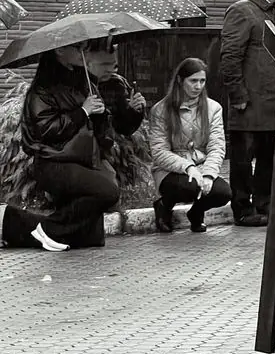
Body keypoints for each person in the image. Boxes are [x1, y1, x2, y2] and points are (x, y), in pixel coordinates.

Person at [1, 41, 146, 251]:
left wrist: (132, 112)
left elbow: (112, 129)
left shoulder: (84, 83)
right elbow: (46, 129)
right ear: (60, 51)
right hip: (54, 162)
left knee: (90, 239)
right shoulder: (42, 89)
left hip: (84, 161)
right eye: (77, 48)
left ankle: (13, 225)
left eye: (84, 48)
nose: (83, 52)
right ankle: (47, 229)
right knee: (108, 192)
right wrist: (83, 112)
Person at [220, 0, 275, 228]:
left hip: (273, 101)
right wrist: (238, 95)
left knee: (270, 158)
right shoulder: (241, 12)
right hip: (249, 102)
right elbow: (230, 57)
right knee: (243, 160)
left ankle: (266, 205)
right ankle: (243, 209)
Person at [147, 58, 230, 234]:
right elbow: (159, 152)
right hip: (170, 170)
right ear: (180, 80)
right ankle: (164, 205)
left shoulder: (213, 108)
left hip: (201, 166)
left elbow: (217, 146)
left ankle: (196, 213)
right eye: (193, 81)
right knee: (190, 185)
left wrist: (208, 174)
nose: (198, 86)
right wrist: (188, 167)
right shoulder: (160, 110)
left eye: (202, 81)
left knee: (223, 192)